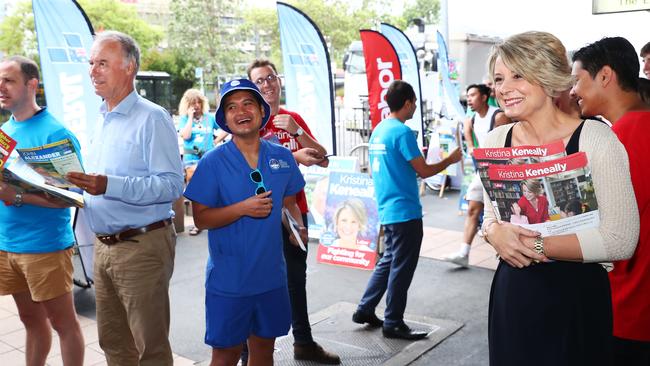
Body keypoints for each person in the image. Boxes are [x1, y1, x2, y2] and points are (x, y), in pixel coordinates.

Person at [481, 31, 639, 366]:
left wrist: (534, 246)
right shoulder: (496, 139)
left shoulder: (596, 139)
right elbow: (491, 217)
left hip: (576, 297)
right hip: (514, 293)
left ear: (546, 76)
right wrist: (493, 233)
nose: (504, 87)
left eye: (517, 75)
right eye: (498, 79)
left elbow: (621, 240)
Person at [66, 31, 184, 366]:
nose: (93, 71)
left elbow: (172, 186)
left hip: (142, 246)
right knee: (113, 342)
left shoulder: (153, 118)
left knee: (151, 349)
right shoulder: (101, 118)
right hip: (103, 247)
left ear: (129, 67)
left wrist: (108, 185)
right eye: (91, 63)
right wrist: (65, 187)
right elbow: (97, 184)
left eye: (102, 63)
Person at [184, 78, 306, 366]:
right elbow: (201, 219)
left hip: (271, 278)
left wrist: (295, 228)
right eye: (231, 106)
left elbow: (289, 205)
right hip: (230, 282)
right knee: (225, 356)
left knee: (264, 351)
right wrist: (243, 208)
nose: (241, 111)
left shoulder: (282, 157)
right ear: (224, 119)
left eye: (248, 103)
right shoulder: (213, 162)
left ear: (262, 111)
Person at [352, 80, 462, 340]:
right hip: (405, 211)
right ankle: (393, 322)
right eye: (414, 104)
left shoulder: (380, 130)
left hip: (388, 208)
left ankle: (365, 308)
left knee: (388, 261)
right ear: (409, 103)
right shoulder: (401, 132)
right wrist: (450, 159)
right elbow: (424, 171)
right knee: (401, 266)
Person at [246, 59, 340, 364]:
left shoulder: (291, 118)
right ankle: (249, 353)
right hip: (261, 216)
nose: (267, 84)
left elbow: (323, 159)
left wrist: (298, 132)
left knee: (296, 284)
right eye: (259, 80)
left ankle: (303, 342)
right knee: (258, 285)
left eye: (271, 78)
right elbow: (251, 167)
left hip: (295, 213)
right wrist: (293, 155)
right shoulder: (249, 121)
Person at [0, 56, 85, 366]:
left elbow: (73, 197)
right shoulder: (4, 130)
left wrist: (17, 196)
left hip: (45, 247)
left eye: (8, 80)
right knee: (31, 322)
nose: (1, 87)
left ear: (31, 84)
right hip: (7, 245)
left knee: (64, 325)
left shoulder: (56, 134)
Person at [571, 36, 650, 366]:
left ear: (605, 76)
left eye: (577, 80)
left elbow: (591, 225)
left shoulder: (617, 140)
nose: (573, 91)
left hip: (626, 310)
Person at [444, 83, 509, 267]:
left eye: (473, 95)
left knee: (504, 216)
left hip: (501, 171)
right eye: (468, 96)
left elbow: (509, 145)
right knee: (473, 208)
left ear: (483, 97)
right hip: (483, 171)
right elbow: (468, 135)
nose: (469, 99)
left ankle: (505, 254)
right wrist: (471, 145)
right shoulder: (471, 120)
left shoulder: (498, 116)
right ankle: (464, 253)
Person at [178, 88, 228, 236]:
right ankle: (197, 223)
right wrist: (190, 117)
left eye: (198, 102)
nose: (196, 105)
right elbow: (185, 136)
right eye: (193, 103)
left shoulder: (209, 118)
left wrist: (217, 140)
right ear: (187, 105)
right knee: (196, 192)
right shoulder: (184, 119)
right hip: (191, 159)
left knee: (215, 189)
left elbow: (226, 127)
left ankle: (214, 219)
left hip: (209, 158)